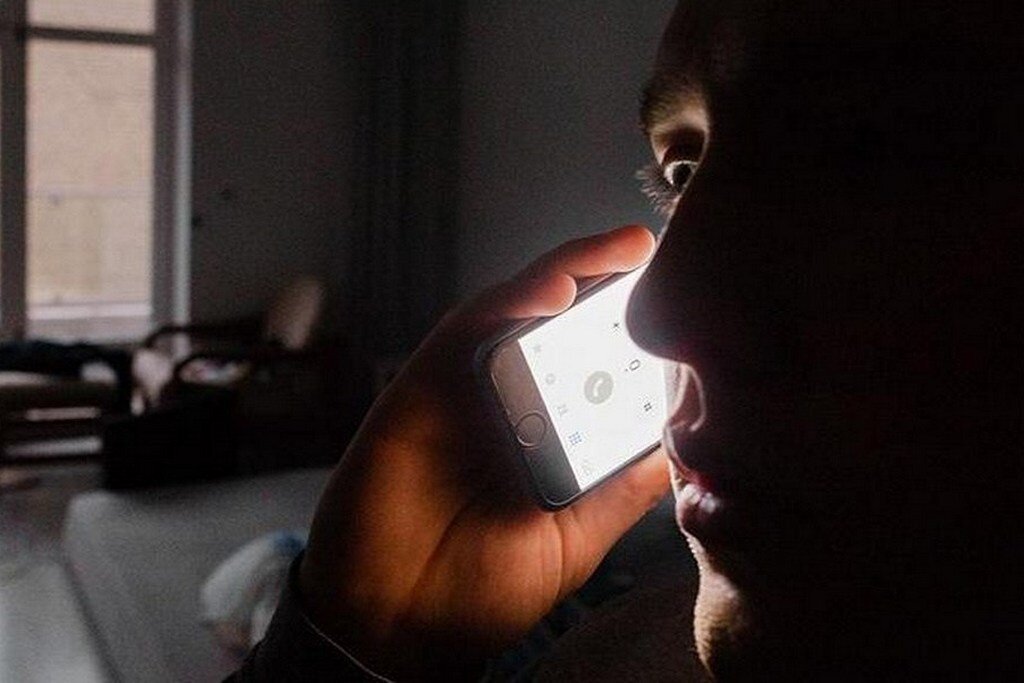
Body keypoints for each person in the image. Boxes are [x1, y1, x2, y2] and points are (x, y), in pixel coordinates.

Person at [232, 1, 1021, 680]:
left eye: (864, 157)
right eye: (682, 174)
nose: (656, 318)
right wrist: (364, 639)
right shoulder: (601, 660)